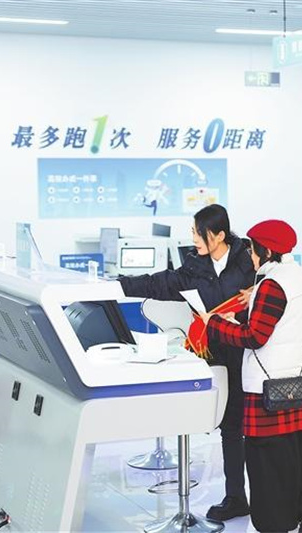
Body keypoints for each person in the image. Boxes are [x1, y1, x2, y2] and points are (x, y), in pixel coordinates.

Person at [117, 204, 254, 522]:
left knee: (255, 428)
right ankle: (236, 497)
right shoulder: (195, 266)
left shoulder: (248, 262)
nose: (192, 238)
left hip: (248, 353)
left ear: (219, 235)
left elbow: (268, 295)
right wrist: (120, 285)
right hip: (215, 355)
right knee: (230, 426)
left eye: (198, 232)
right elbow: (160, 283)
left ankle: (269, 497)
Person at [200, 219, 302, 533]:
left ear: (266, 251)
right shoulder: (301, 278)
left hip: (269, 389)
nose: (251, 257)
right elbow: (282, 324)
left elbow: (255, 337)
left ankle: (275, 524)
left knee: (268, 463)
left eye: (253, 250)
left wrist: (213, 323)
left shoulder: (272, 285)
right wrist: (238, 315)